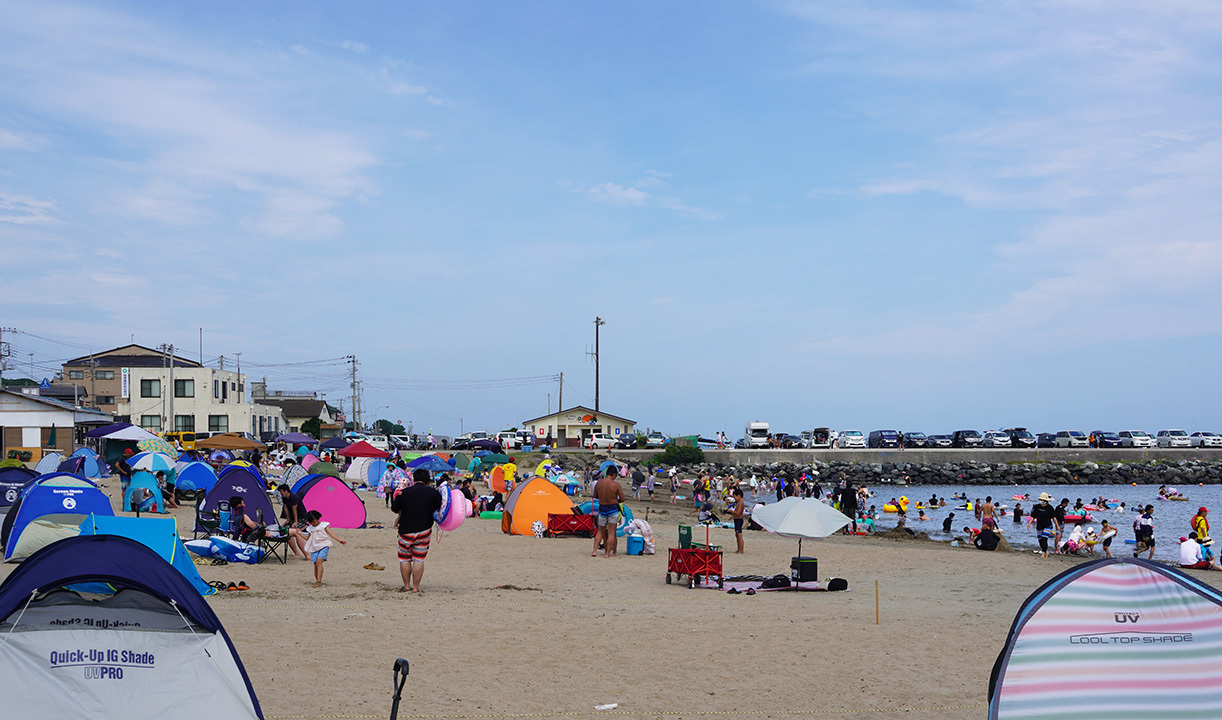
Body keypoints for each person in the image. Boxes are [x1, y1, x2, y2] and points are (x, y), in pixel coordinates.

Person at [391, 468, 443, 593]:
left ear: (414, 479)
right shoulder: (433, 493)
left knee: (405, 559)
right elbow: (440, 508)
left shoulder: (405, 492)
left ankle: (407, 586)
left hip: (405, 530)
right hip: (424, 530)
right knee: (418, 560)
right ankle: (415, 587)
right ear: (428, 480)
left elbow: (394, 508)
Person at [301, 510, 346, 587]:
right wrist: (300, 534)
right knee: (315, 565)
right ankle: (317, 580)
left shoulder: (324, 525)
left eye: (314, 521)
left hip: (324, 545)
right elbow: (308, 538)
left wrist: (339, 540)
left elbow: (330, 533)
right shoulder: (310, 528)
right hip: (314, 547)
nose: (313, 524)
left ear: (318, 518)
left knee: (319, 562)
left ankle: (319, 581)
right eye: (311, 522)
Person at [591, 467, 625, 558]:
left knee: (600, 532)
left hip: (602, 508)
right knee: (611, 532)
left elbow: (595, 496)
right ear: (614, 474)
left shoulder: (599, 483)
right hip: (613, 509)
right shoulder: (616, 485)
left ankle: (594, 551)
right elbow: (622, 499)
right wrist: (615, 498)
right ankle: (607, 553)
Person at [278, 484, 309, 559]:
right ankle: (296, 553)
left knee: (296, 532)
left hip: (301, 518)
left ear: (286, 491)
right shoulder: (284, 497)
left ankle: (307, 555)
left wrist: (295, 522)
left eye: (281, 491)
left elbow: (294, 509)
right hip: (292, 519)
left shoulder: (294, 497)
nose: (280, 493)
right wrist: (288, 520)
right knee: (285, 530)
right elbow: (285, 508)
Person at [1030, 493, 1057, 559]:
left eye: (1042, 499)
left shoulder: (1050, 508)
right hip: (1039, 526)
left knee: (1044, 538)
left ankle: (1043, 553)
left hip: (1048, 525)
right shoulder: (1037, 507)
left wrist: (1057, 525)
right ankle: (1045, 551)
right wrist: (1029, 524)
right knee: (1040, 540)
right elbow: (1033, 516)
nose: (1040, 500)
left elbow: (1054, 517)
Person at [729, 487, 745, 554]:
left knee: (739, 535)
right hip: (737, 519)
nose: (734, 498)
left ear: (739, 495)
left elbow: (738, 513)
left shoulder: (741, 503)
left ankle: (741, 550)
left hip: (739, 519)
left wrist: (731, 511)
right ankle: (739, 549)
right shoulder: (739, 502)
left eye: (735, 496)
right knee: (737, 535)